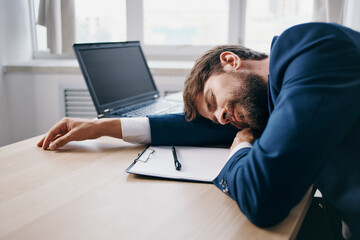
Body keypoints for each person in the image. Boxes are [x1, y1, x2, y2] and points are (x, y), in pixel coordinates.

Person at [37, 22, 360, 239]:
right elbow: (204, 129)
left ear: (231, 61)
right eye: (217, 116)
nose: (222, 118)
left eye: (212, 99)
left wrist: (240, 148)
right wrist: (102, 127)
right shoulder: (273, 96)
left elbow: (264, 198)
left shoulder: (306, 49)